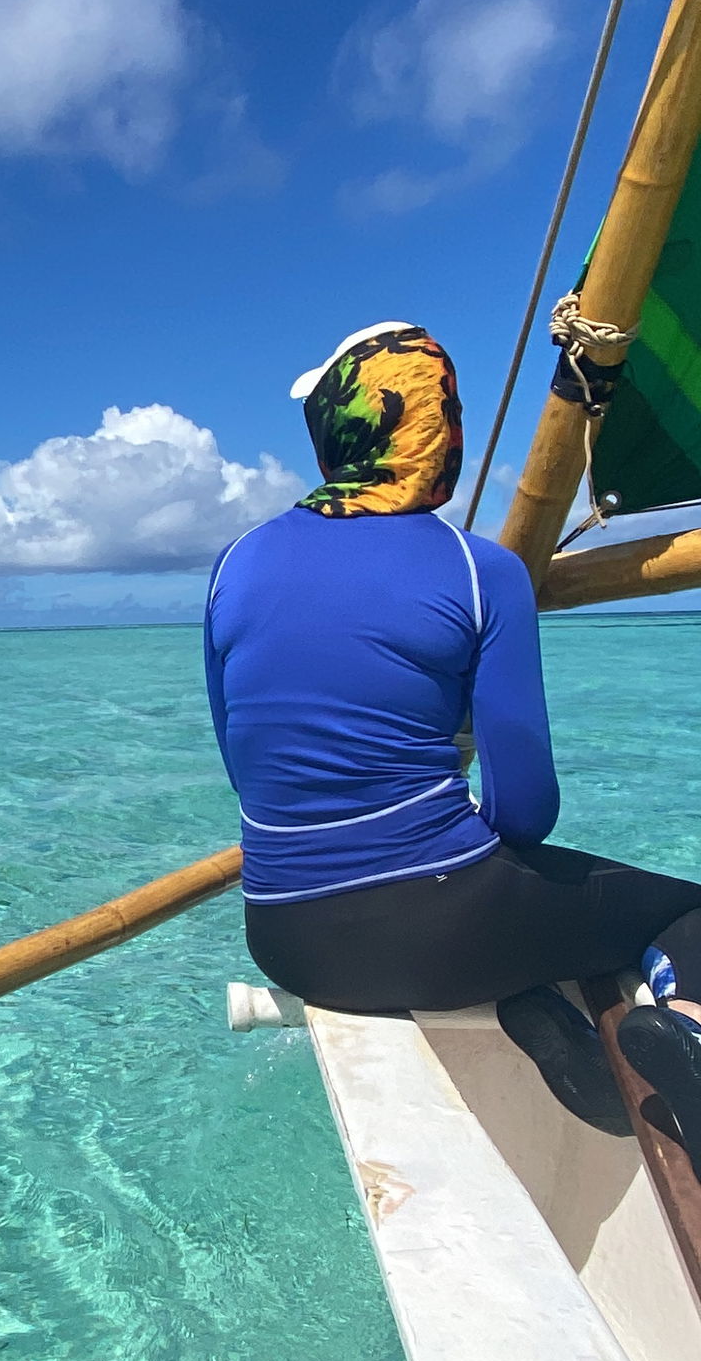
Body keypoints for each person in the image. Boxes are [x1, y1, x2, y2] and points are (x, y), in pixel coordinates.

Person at [203, 320, 701, 1164]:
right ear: (443, 427)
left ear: (333, 434)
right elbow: (527, 811)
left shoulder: (234, 564)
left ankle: (532, 1012)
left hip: (284, 937)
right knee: (686, 906)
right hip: (445, 934)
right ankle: (686, 1033)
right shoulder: (482, 571)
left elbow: (244, 769)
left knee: (508, 901)